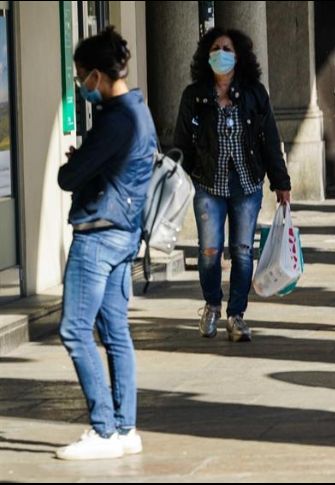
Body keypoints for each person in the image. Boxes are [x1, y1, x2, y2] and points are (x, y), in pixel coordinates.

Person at [56, 27, 156, 460]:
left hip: (98, 235)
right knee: (115, 331)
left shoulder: (115, 120)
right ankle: (125, 428)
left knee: (75, 330)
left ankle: (103, 429)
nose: (82, 86)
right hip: (124, 233)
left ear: (96, 74)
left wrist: (78, 163)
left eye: (82, 77)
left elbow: (67, 178)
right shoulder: (139, 110)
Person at [174, 28, 291, 343]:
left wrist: (281, 181)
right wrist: (177, 182)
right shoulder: (194, 96)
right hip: (207, 184)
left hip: (247, 183)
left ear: (238, 56)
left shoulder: (254, 93)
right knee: (209, 250)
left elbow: (270, 140)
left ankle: (236, 315)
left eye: (227, 48)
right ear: (205, 54)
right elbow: (181, 142)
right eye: (215, 47)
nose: (220, 53)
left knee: (241, 251)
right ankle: (212, 304)